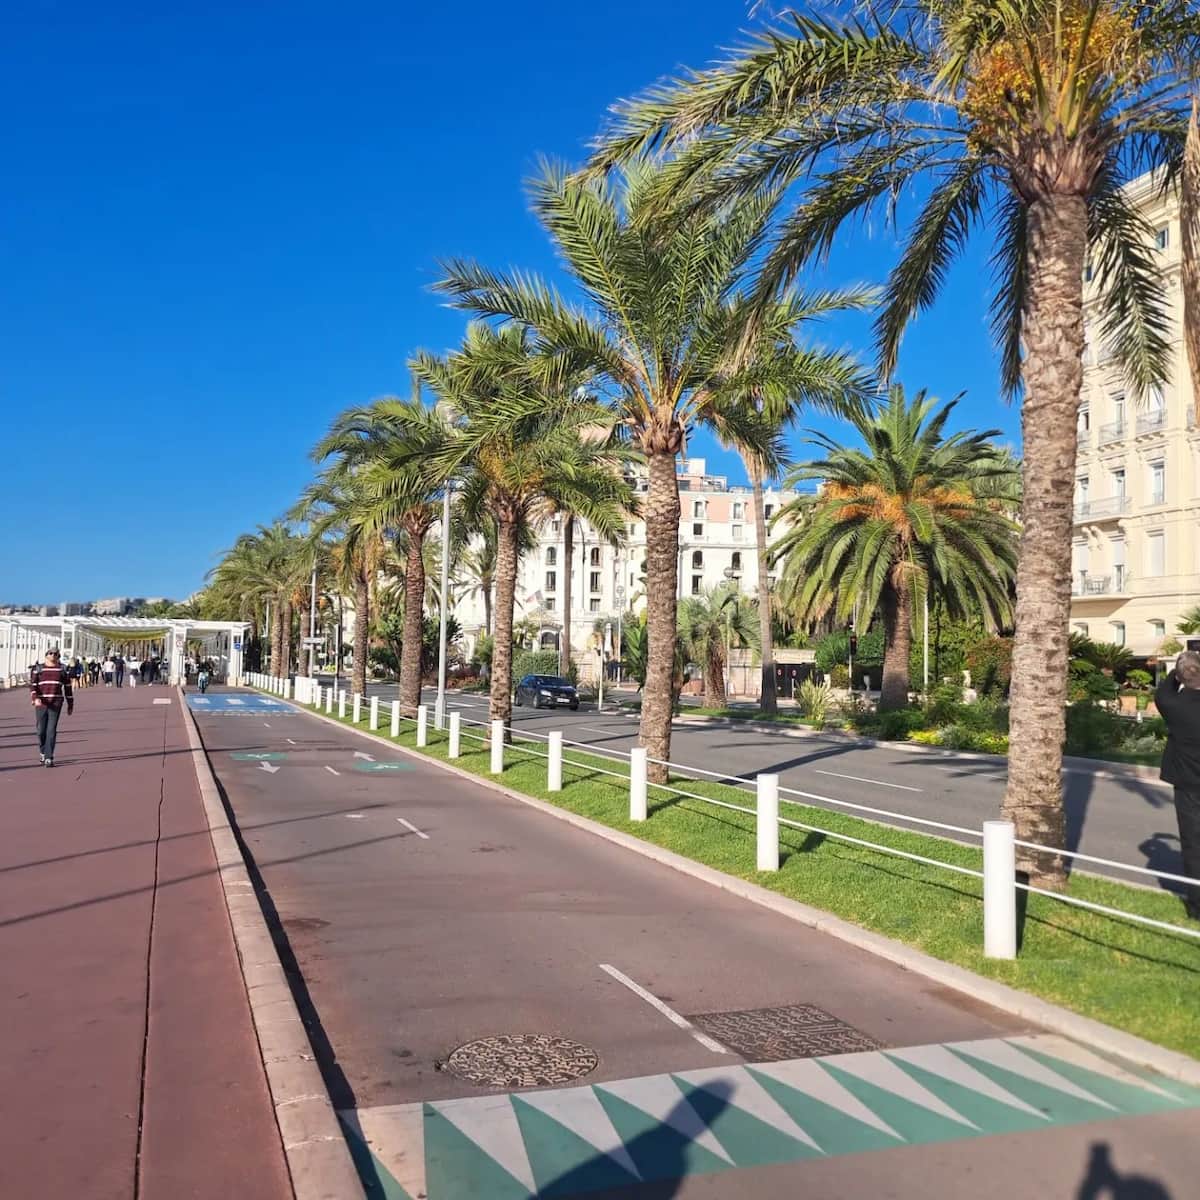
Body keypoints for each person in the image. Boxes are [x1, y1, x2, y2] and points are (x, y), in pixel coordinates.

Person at [1155, 650, 1200, 920]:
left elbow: (1163, 690)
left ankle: (1197, 907)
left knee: (1193, 844)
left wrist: (1179, 670)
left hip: (1187, 785)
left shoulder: (1173, 704)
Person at [30, 647, 74, 767]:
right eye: (50, 653)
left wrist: (70, 704)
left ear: (58, 656)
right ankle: (43, 752)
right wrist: (35, 698)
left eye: (56, 654)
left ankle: (49, 757)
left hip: (56, 703)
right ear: (46, 655)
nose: (53, 655)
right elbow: (33, 686)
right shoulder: (38, 669)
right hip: (41, 703)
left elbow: (68, 688)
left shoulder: (63, 669)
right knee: (41, 731)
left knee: (51, 730)